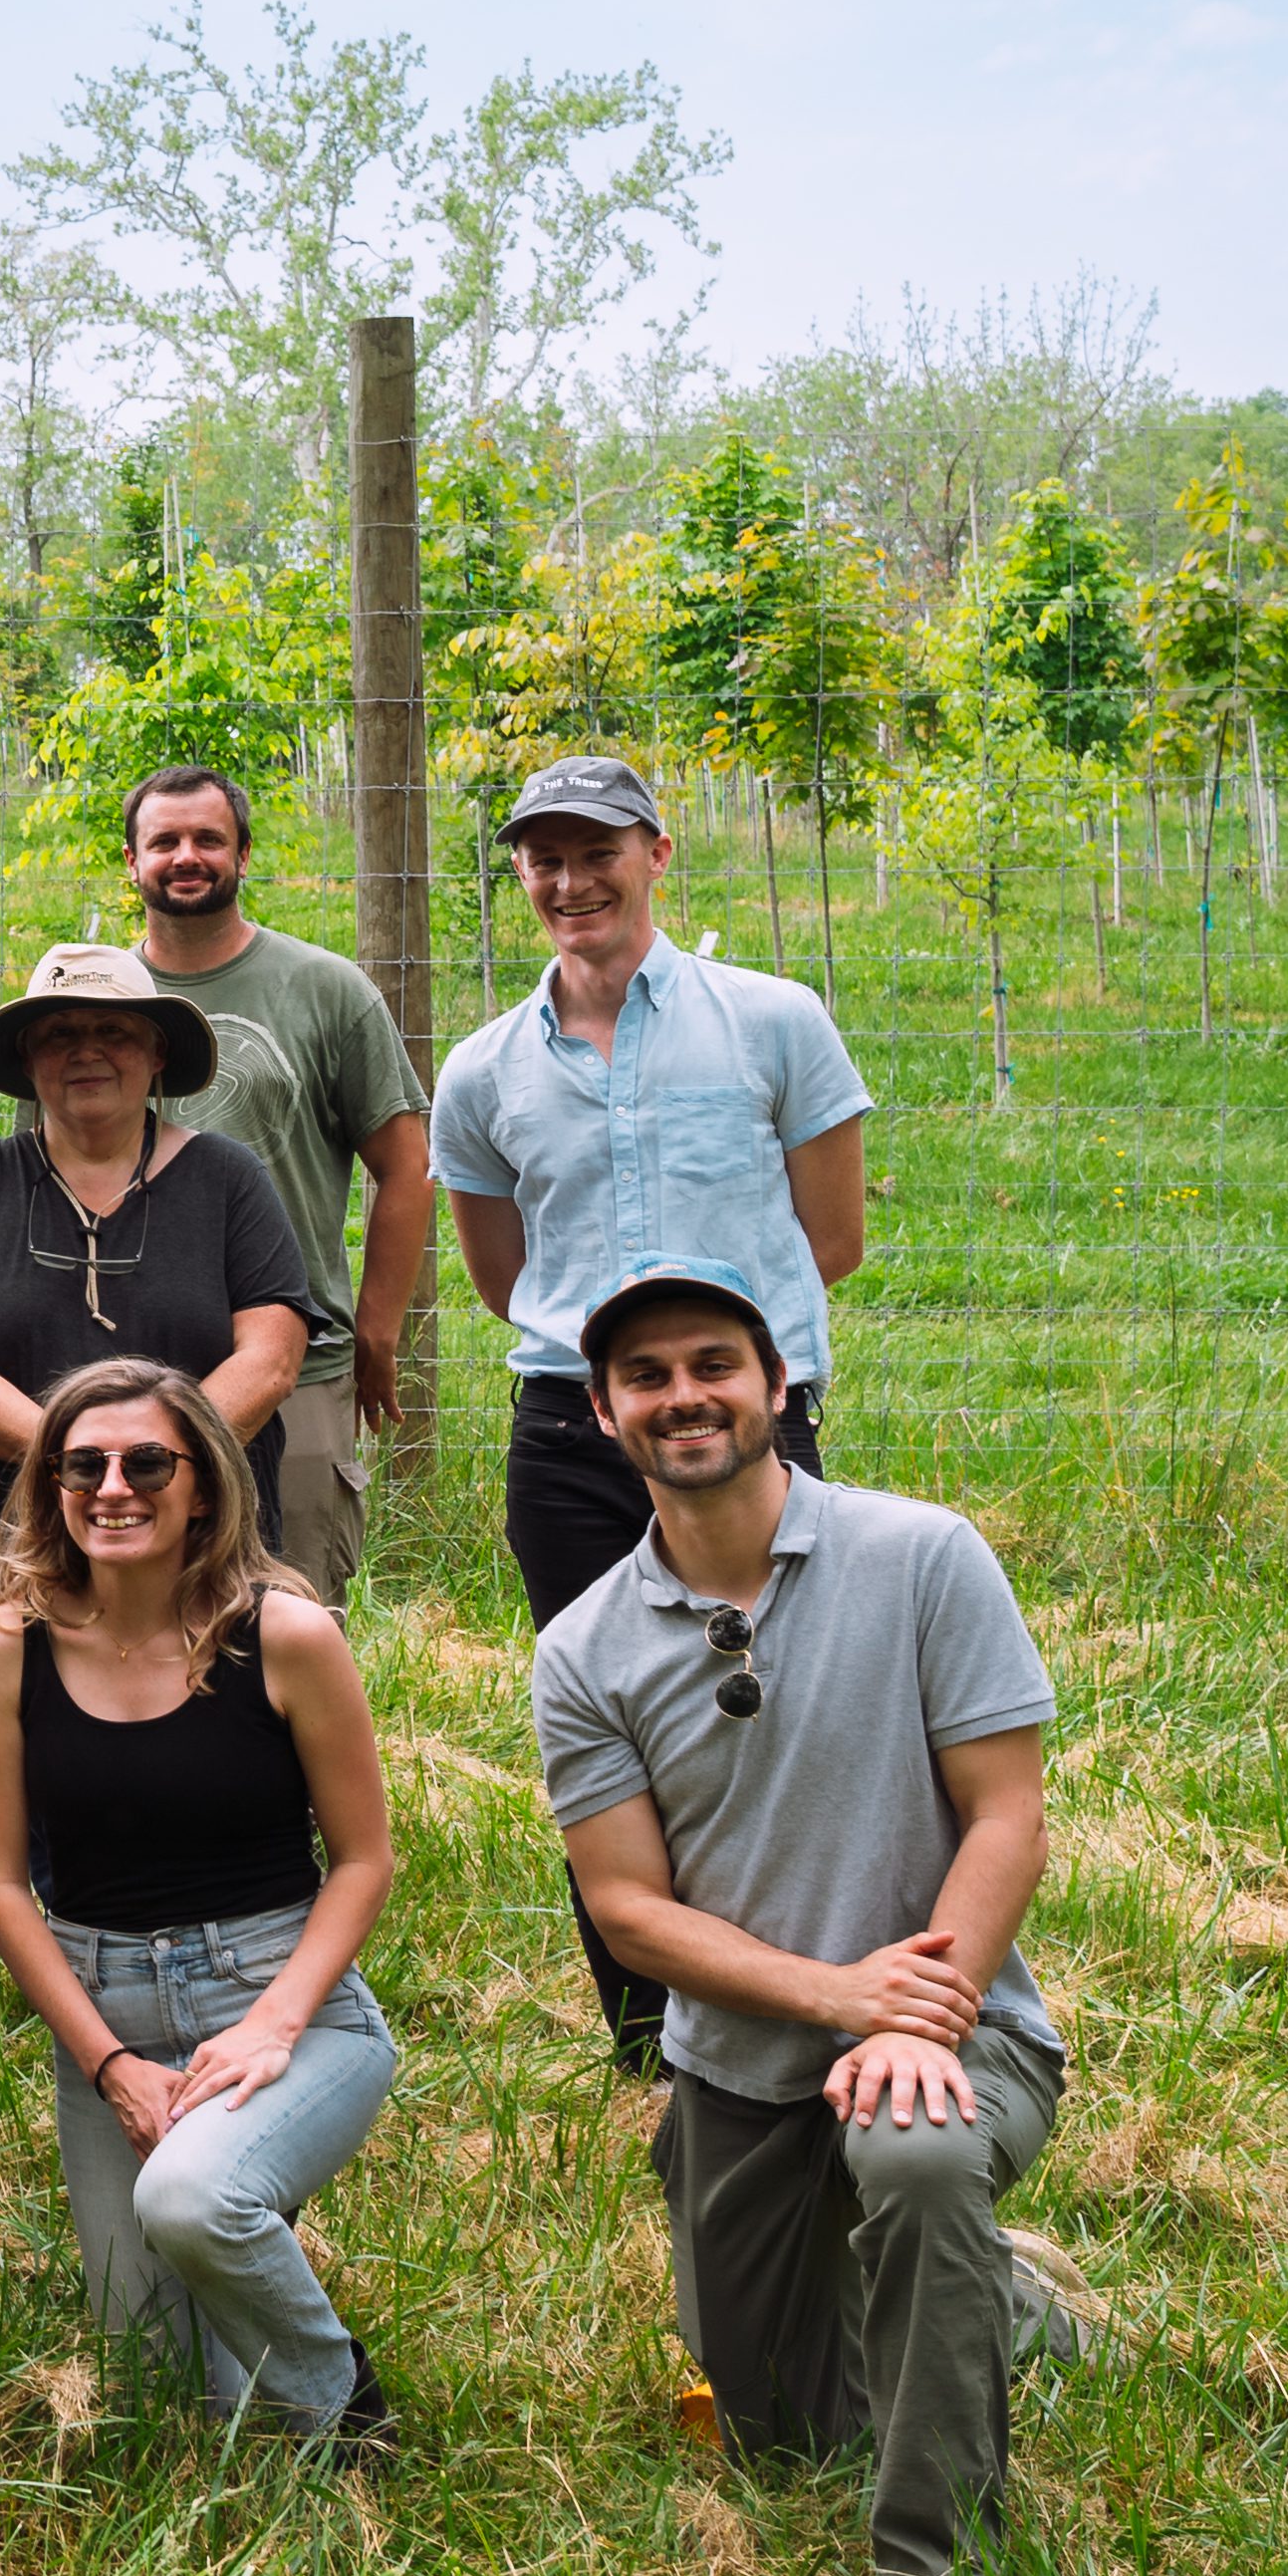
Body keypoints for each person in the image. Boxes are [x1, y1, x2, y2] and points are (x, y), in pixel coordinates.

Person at [541, 1261, 1068, 2576]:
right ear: (604, 1415)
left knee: (914, 2154)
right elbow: (631, 1913)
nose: (683, 1395)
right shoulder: (582, 1651)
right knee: (775, 2432)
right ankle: (1003, 2302)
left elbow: (1007, 1816)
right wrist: (842, 2000)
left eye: (714, 1362)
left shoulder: (922, 1556)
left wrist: (921, 2016)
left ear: (779, 1388)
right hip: (750, 2065)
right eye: (645, 1377)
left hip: (960, 2033)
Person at [432, 753, 873, 2070]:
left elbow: (831, 1236)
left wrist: (702, 1373)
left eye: (597, 851)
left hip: (742, 1429)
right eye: (543, 859)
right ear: (520, 876)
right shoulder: (484, 1069)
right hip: (573, 1439)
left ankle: (793, 2007)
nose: (571, 881)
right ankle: (650, 2042)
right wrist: (610, 1370)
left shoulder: (774, 1022)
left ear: (657, 853)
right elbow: (505, 1277)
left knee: (783, 1703)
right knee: (607, 1717)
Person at [0, 1364, 399, 2452]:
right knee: (161, 2393)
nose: (113, 1486)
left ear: (205, 1485)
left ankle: (343, 2406)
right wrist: (108, 2064)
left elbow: (364, 1860)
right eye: (81, 1466)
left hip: (285, 2002)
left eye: (147, 1462)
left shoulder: (285, 1633)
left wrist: (274, 2023)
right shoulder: (8, 1648)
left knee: (193, 2201)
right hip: (107, 2012)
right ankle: (247, 2264)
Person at [0, 947, 317, 1621]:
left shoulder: (230, 1179)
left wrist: (158, 1473)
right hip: (18, 1544)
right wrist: (87, 1470)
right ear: (28, 1057)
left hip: (202, 1540)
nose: (86, 1052)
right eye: (60, 1034)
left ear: (156, 1053)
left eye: (114, 1032)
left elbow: (271, 1359)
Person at [125, 765, 432, 1594]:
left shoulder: (326, 991)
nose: (187, 857)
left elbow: (405, 1169)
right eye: (165, 842)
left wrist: (376, 1329)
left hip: (301, 1366)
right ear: (131, 862)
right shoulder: (93, 1003)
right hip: (131, 1365)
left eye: (208, 840)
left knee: (289, 1617)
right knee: (140, 1612)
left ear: (244, 854)